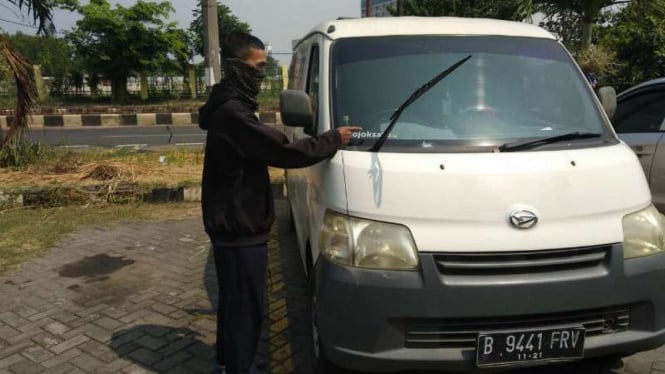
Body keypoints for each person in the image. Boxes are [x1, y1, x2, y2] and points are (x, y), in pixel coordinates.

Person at [198, 32, 360, 374]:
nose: (261, 74)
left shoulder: (228, 105)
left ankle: (230, 361)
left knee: (234, 302)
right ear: (235, 67)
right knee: (247, 306)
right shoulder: (233, 114)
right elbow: (283, 150)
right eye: (256, 67)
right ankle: (241, 368)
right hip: (239, 224)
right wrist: (334, 138)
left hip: (231, 220)